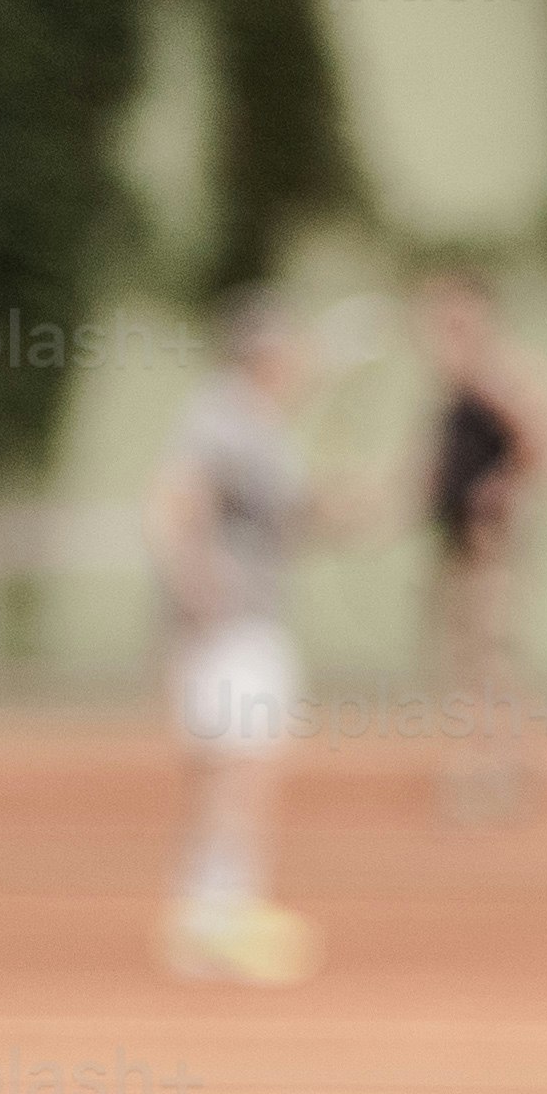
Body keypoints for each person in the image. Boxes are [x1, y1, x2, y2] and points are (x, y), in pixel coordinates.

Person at [145, 291, 355, 984]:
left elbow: (287, 517)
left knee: (223, 771)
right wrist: (197, 584)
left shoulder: (257, 424)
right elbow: (176, 500)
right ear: (262, 353)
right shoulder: (226, 419)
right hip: (232, 626)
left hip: (234, 622)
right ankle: (221, 916)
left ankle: (206, 915)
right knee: (245, 766)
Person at [409, 267, 547, 826]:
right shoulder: (455, 387)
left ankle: (498, 775)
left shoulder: (493, 377)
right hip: (454, 544)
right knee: (463, 661)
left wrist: (499, 494)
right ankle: (493, 768)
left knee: (489, 660)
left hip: (489, 547)